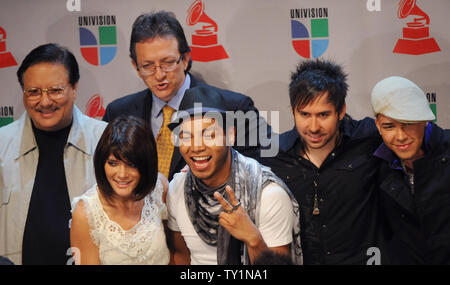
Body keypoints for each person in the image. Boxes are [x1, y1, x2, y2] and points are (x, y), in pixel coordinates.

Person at [102, 11, 269, 181]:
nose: (159, 74)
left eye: (167, 63)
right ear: (135, 66)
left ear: (185, 59)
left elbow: (254, 176)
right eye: (147, 66)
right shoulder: (118, 113)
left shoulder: (234, 109)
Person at [258, 59, 386, 264]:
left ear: (341, 111)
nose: (314, 127)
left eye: (323, 115)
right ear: (292, 110)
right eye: (305, 114)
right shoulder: (274, 155)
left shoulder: (369, 139)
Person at [165, 86, 302, 265]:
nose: (196, 146)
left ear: (230, 136)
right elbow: (181, 256)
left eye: (209, 135)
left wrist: (253, 239)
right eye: (186, 136)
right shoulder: (177, 188)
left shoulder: (267, 194)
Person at [0, 43, 107, 265]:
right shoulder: (2, 144)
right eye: (34, 92)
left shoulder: (106, 140)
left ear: (74, 87)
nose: (45, 101)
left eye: (55, 90)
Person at [70, 116, 170, 265]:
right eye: (113, 163)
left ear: (146, 163)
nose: (122, 174)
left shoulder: (159, 187)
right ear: (101, 163)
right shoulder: (86, 213)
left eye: (131, 164)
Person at [371, 76, 450, 264]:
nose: (400, 136)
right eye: (389, 126)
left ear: (424, 120)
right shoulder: (376, 164)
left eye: (408, 124)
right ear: (378, 126)